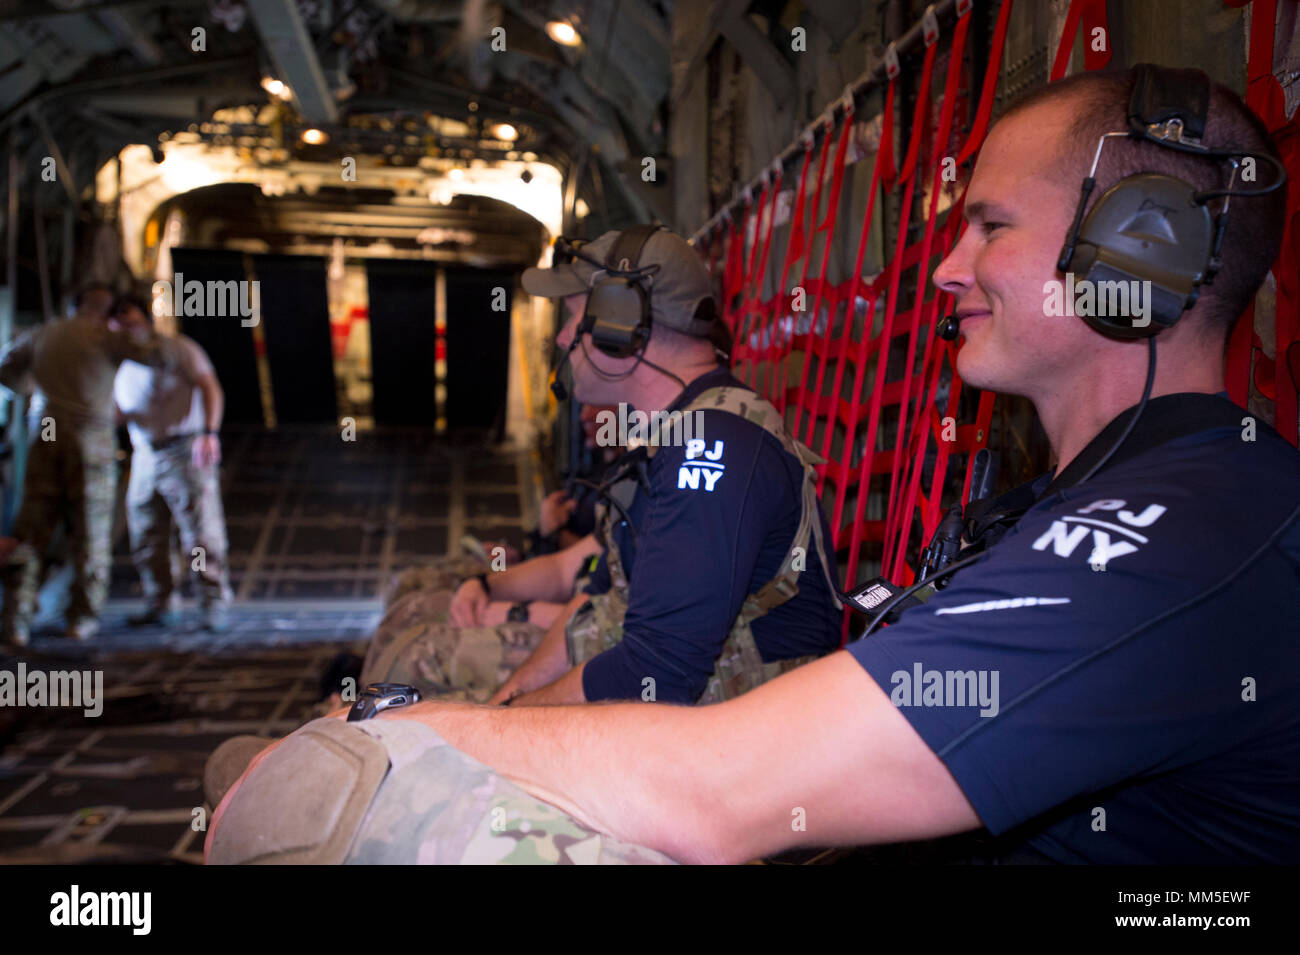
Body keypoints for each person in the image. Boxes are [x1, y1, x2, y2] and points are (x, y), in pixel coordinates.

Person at [208, 63, 1299, 866]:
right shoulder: (1077, 507)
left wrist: (398, 731)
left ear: (1138, 249)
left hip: (732, 771)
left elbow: (716, 781)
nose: (943, 267)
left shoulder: (1179, 537)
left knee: (376, 820)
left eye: (989, 226)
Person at [356, 225, 843, 709]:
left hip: (725, 733)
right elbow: (590, 603)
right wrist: (509, 701)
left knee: (413, 715)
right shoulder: (664, 441)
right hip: (658, 714)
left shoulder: (711, 447)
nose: (562, 337)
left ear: (620, 326)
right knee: (412, 716)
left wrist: (503, 726)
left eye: (572, 318)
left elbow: (656, 673)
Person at [0, 284, 172, 644]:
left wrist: (32, 389)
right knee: (90, 533)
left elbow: (6, 370)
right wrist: (139, 329)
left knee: (32, 530)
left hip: (45, 431)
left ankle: (16, 618)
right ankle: (81, 618)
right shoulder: (107, 337)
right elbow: (159, 358)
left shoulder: (44, 333)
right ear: (109, 312)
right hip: (90, 440)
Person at [112, 294, 234, 632]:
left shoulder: (179, 349)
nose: (125, 329)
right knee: (146, 532)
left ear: (146, 320)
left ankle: (212, 602)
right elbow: (118, 410)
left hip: (183, 448)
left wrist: (209, 433)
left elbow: (210, 387)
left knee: (200, 533)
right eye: (118, 323)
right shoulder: (119, 360)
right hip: (144, 453)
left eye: (131, 320)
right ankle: (161, 602)